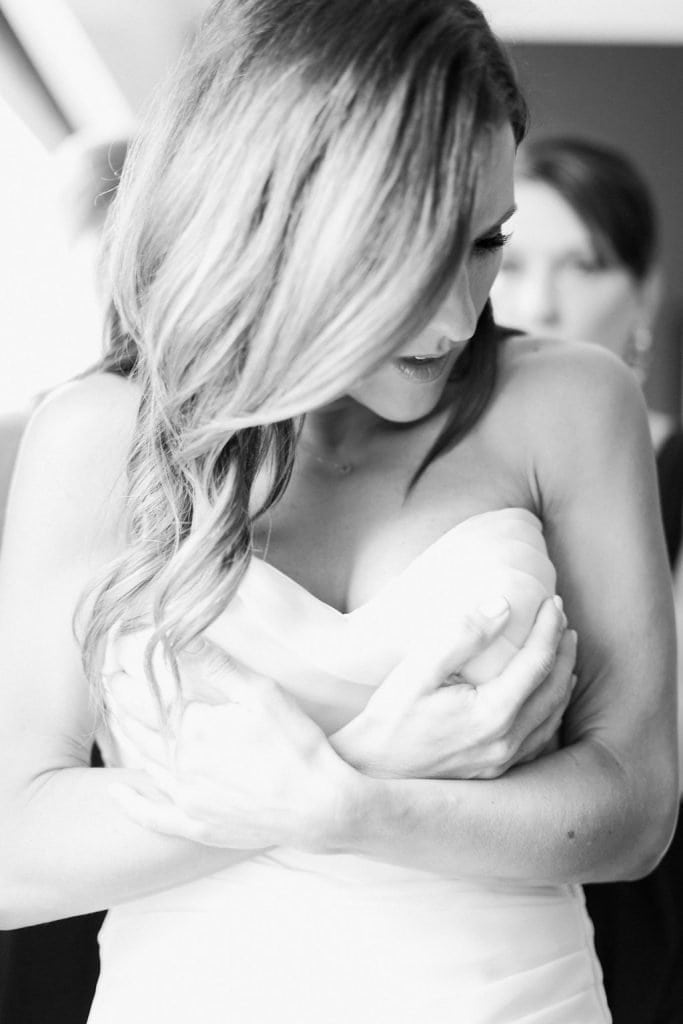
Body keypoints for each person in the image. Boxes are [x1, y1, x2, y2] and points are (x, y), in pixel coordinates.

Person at [0, 4, 677, 1023]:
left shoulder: (571, 404)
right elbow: (12, 847)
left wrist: (347, 805)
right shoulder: (98, 437)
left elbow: (632, 809)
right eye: (405, 250)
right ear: (274, 216)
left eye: (486, 241)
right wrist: (363, 765)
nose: (457, 315)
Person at [491, 134, 683, 1023]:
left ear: (641, 293)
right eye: (510, 258)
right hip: (477, 904)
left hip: (646, 892)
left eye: (583, 266)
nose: (539, 301)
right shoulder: (430, 473)